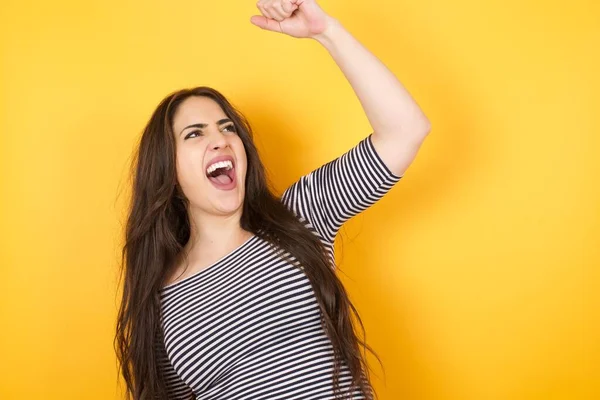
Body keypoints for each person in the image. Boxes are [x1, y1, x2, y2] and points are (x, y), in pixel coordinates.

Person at [115, 1, 431, 399]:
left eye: (226, 128)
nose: (220, 139)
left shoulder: (300, 214)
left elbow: (405, 130)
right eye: (194, 134)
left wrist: (327, 32)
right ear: (168, 170)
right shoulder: (158, 299)